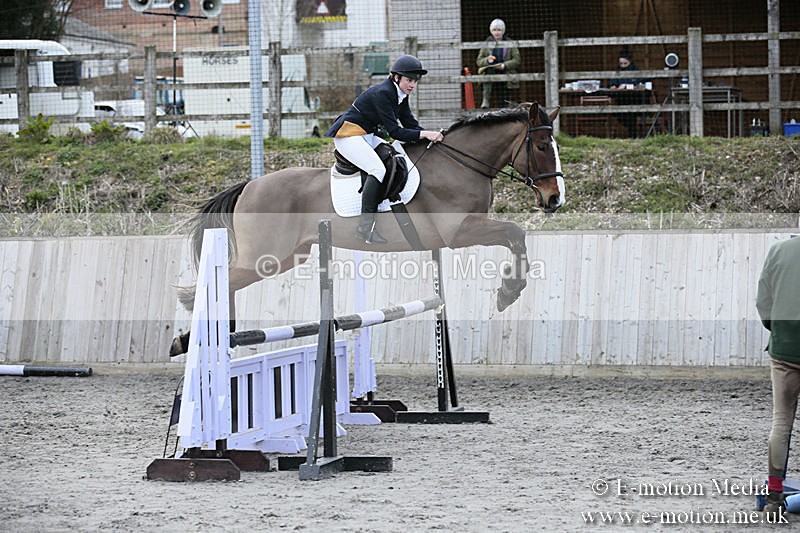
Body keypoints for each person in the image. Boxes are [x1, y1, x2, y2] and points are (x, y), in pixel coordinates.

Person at [325, 54, 444, 245]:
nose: (412, 85)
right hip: (349, 137)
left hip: (366, 135)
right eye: (409, 80)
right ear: (396, 77)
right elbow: (396, 132)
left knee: (394, 157)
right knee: (377, 169)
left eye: (415, 81)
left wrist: (428, 136)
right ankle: (365, 228)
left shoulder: (401, 94)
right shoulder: (383, 93)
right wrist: (424, 135)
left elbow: (409, 123)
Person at [756, 235, 800, 520]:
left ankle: (773, 498)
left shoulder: (779, 250)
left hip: (785, 350)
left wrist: (779, 331)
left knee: (781, 423)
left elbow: (763, 300)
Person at [476, 18, 521, 109]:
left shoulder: (510, 43)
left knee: (503, 95)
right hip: (490, 72)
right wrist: (487, 60)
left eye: (499, 30)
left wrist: (505, 65)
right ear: (491, 31)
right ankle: (486, 100)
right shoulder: (486, 43)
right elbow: (479, 61)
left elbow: (517, 60)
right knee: (488, 74)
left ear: (503, 31)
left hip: (505, 72)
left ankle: (504, 107)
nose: (497, 32)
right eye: (494, 30)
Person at [609, 48, 649, 137]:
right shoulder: (617, 72)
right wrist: (614, 86)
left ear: (630, 62)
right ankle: (631, 133)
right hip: (621, 100)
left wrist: (628, 85)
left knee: (631, 111)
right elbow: (612, 84)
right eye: (621, 64)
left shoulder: (636, 71)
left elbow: (641, 83)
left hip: (635, 99)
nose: (623, 66)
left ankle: (633, 134)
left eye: (625, 63)